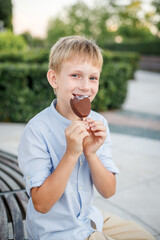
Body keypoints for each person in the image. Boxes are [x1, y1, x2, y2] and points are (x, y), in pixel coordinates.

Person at [18, 36, 155, 240]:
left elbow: (108, 191)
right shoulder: (37, 130)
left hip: (88, 218)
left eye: (93, 78)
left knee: (144, 237)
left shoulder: (98, 123)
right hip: (55, 231)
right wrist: (71, 154)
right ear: (54, 79)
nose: (85, 86)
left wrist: (91, 153)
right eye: (75, 75)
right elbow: (41, 204)